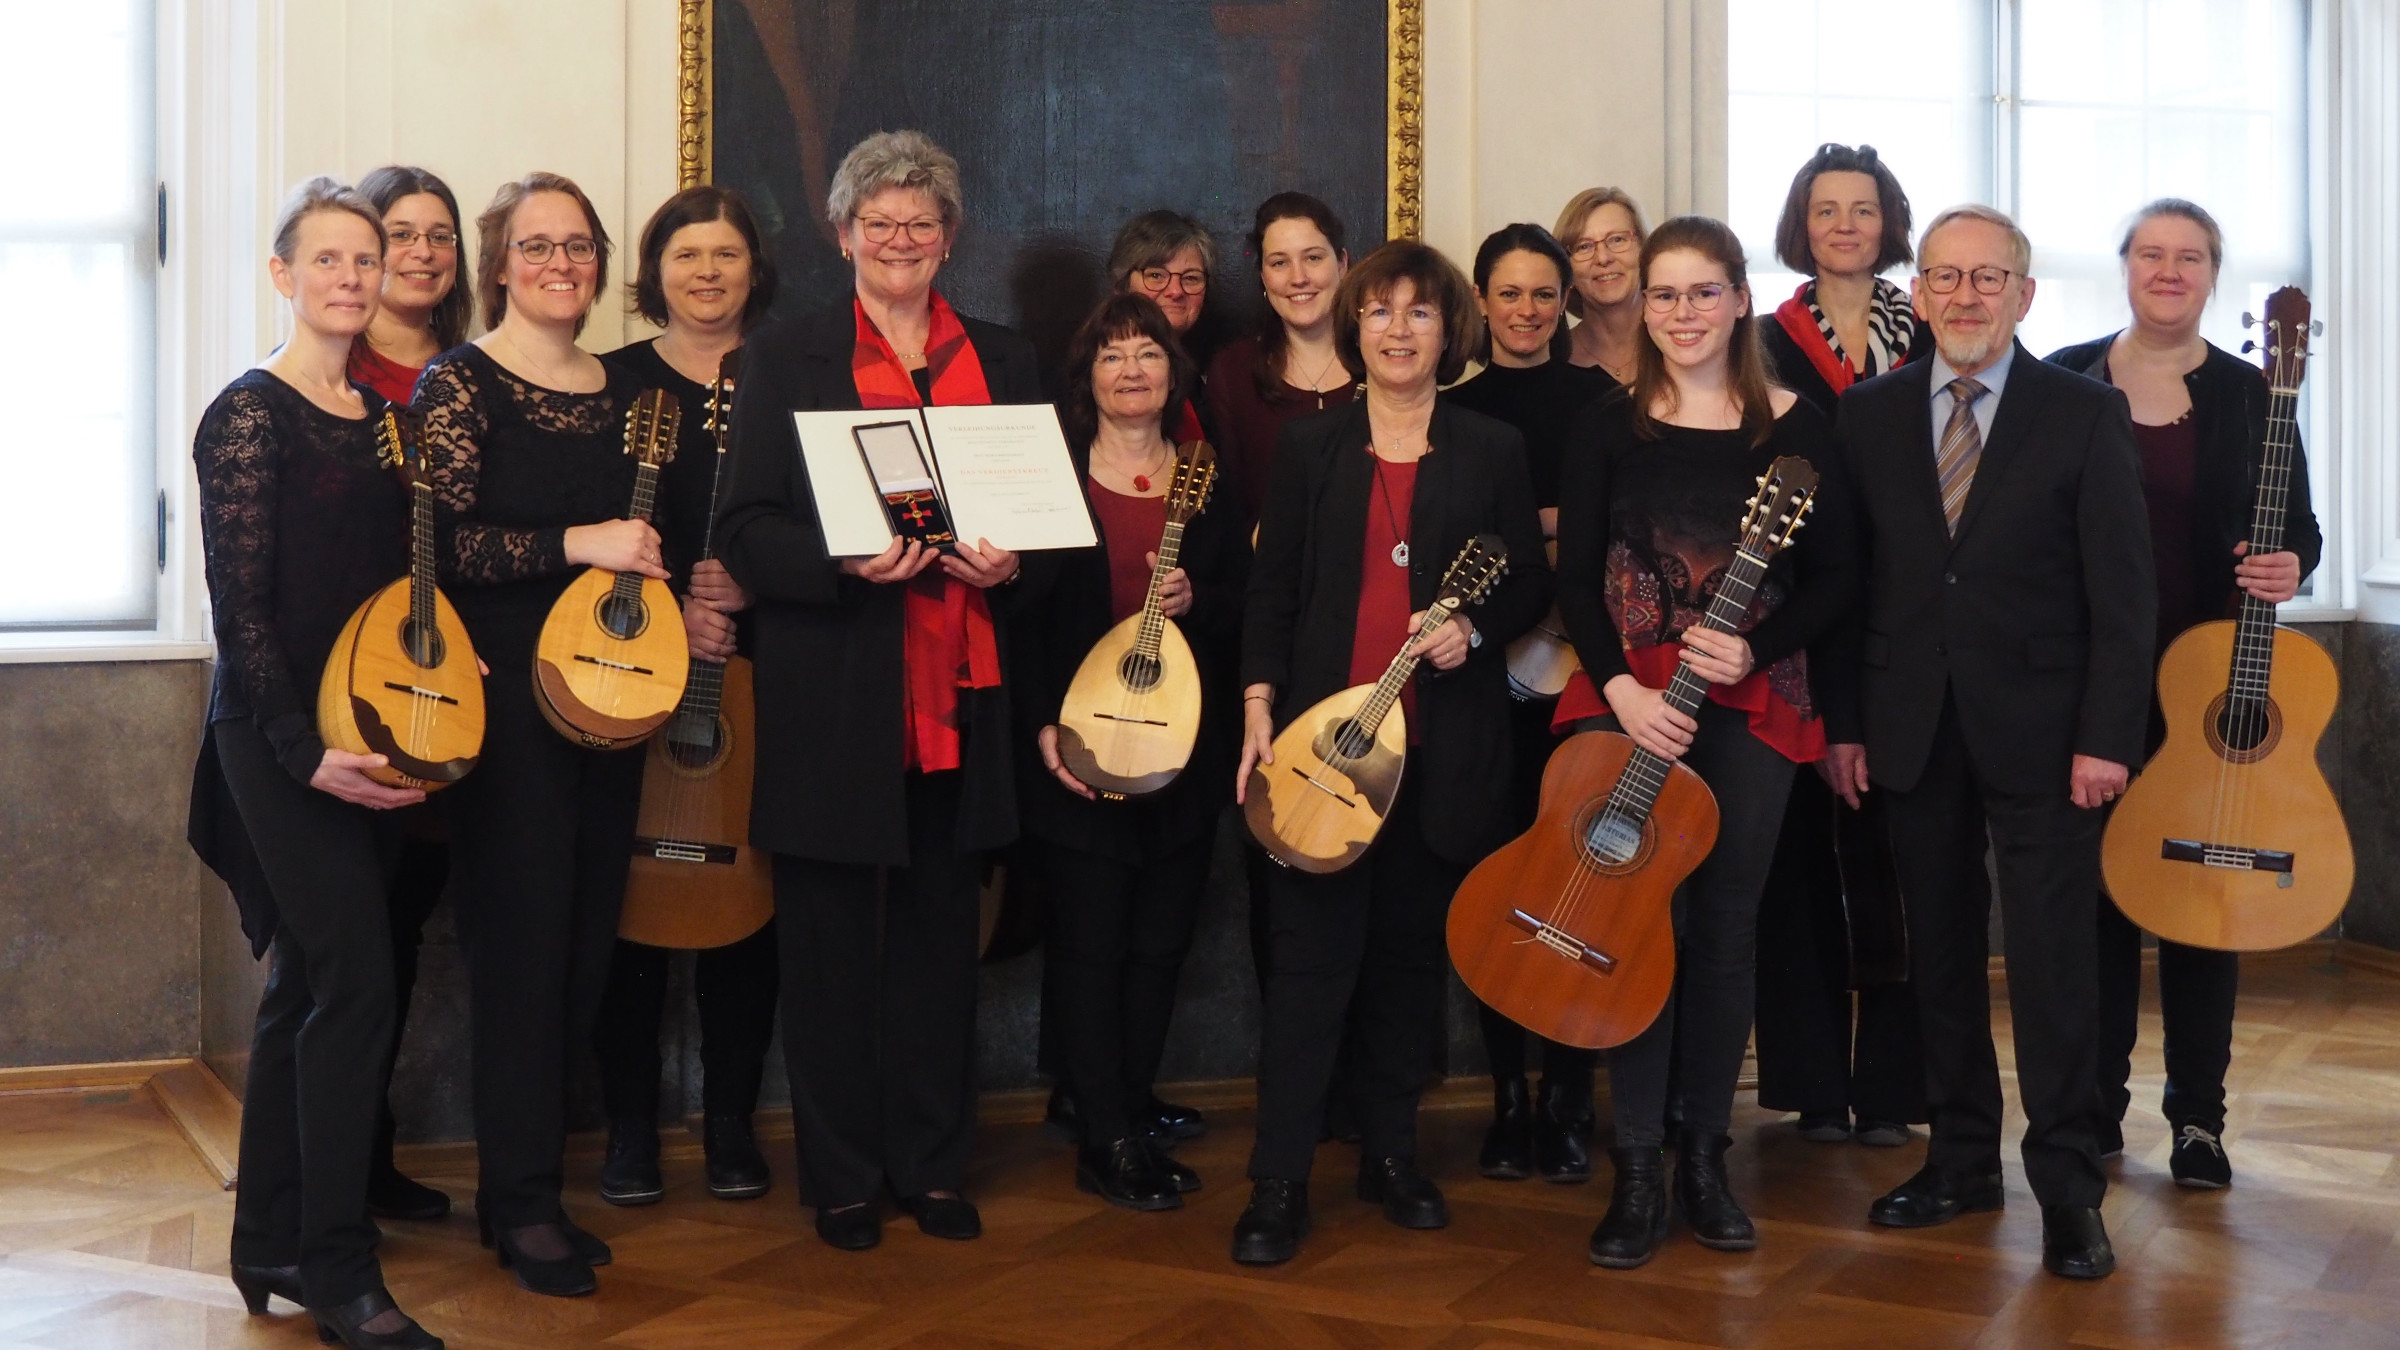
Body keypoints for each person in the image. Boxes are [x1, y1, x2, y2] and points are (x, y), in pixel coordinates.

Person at [1817, 203, 2155, 1281]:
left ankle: (2067, 1188)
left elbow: (2125, 594)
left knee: (2055, 965)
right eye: (1944, 278)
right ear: (1916, 291)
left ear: (2024, 294)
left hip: (2051, 739)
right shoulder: (1865, 415)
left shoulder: (2084, 414)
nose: (1964, 297)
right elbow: (1844, 587)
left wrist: (2108, 735)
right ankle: (1960, 1158)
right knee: (1942, 959)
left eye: (1987, 279)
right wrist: (1848, 726)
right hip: (1910, 731)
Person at [717, 130, 1041, 1253]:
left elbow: (1041, 522)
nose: (901, 240)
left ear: (949, 238)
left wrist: (1014, 561)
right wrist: (838, 562)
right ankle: (846, 1180)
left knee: (941, 960)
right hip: (837, 706)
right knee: (828, 961)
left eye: (922, 222)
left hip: (963, 702)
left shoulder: (1004, 357)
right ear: (843, 233)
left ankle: (933, 1167)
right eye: (880, 221)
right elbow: (744, 530)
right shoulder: (788, 354)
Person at [1231, 240, 1551, 1266]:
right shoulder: (1310, 451)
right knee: (1311, 964)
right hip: (1328, 749)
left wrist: (1478, 631)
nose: (1400, 330)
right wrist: (1256, 710)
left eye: (1419, 313)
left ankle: (1392, 1156)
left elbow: (1532, 586)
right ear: (1355, 327)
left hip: (1442, 751)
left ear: (1447, 330)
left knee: (1409, 965)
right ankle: (1278, 1182)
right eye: (1381, 313)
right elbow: (1272, 589)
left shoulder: (1491, 446)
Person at [1554, 217, 1854, 1269]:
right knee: (1636, 924)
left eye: (1702, 292)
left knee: (1724, 928)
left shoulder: (1802, 430)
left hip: (1751, 709)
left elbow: (1839, 581)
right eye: (1663, 294)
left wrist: (1754, 645)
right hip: (1630, 707)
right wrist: (1621, 695)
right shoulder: (1604, 428)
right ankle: (1636, 1164)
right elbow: (1574, 580)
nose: (1682, 313)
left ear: (1739, 299)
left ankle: (1704, 1157)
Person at [188, 176, 443, 1349]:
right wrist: (306, 755)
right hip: (277, 739)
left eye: (367, 260)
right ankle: (340, 1267)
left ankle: (272, 1242)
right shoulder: (250, 413)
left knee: (304, 988)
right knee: (356, 987)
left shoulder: (387, 416)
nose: (351, 277)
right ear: (284, 276)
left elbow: (391, 588)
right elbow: (240, 614)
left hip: (376, 729)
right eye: (327, 260)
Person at [417, 171, 669, 1298]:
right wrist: (583, 542)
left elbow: (638, 543)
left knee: (582, 951)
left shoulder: (623, 389)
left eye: (578, 246)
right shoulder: (458, 384)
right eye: (536, 246)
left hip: (611, 700)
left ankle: (532, 1191)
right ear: (498, 264)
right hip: (506, 708)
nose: (560, 263)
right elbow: (443, 548)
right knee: (518, 952)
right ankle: (516, 1206)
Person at [2045, 198, 2320, 1190]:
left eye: (2190, 257)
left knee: (2209, 905)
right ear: (2122, 266)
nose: (2170, 270)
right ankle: (2097, 1108)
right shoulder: (2065, 377)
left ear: (2214, 276)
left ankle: (2199, 1121)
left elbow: (2304, 531)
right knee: (2102, 906)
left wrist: (2291, 564)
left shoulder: (2254, 394)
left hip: (2215, 689)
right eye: (2152, 254)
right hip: (2091, 685)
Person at [1013, 293, 1249, 1210]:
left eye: (1147, 353)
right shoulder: (1055, 480)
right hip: (1078, 750)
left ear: (1172, 372)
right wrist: (1041, 725)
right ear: (1087, 379)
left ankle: (1127, 1108)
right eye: (1110, 356)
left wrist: (1203, 601)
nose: (1131, 370)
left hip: (1182, 749)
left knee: (1159, 946)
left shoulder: (1206, 479)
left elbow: (1251, 603)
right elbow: (1019, 625)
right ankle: (1103, 1133)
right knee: (1090, 946)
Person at [589, 185, 783, 1208]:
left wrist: (754, 585)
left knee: (747, 910)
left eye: (726, 253)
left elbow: (831, 522)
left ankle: (732, 1127)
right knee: (630, 912)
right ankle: (628, 1131)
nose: (706, 273)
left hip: (764, 676)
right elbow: (579, 535)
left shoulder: (794, 373)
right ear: (654, 270)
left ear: (756, 268)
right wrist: (673, 614)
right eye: (685, 254)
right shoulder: (606, 380)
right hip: (631, 672)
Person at [1751, 143, 1933, 1150]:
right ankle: (1813, 1082)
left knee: (1896, 862)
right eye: (1828, 210)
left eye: (1865, 208)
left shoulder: (1932, 330)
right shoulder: (1764, 342)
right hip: (1801, 610)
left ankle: (1895, 1088)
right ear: (1802, 225)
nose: (1847, 225)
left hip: (1906, 611)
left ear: (1889, 221)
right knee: (1799, 859)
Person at [1442, 222, 1614, 1184]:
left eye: (1543, 293)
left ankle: (1568, 1101)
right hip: (1482, 677)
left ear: (1566, 302)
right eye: (1508, 293)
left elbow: (1604, 535)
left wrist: (1536, 536)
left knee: (1580, 881)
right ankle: (1509, 1099)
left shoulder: (1601, 401)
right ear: (1482, 300)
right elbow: (1462, 549)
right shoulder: (1455, 408)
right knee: (1503, 882)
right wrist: (1546, 534)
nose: (1527, 311)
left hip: (1583, 674)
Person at [344, 163, 471, 1227]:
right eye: (400, 233)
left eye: (439, 235)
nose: (423, 252)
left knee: (408, 926)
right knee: (356, 946)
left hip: (462, 691)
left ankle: (372, 1160)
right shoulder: (328, 379)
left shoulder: (473, 376)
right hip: (360, 693)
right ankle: (342, 1165)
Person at [1204, 193, 1357, 524]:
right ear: (1262, 276)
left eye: (1313, 258)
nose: (1298, 277)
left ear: (1342, 263)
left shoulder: (1383, 363)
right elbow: (1226, 510)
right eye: (1279, 263)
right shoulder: (1232, 371)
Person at [1109, 209, 1218, 440]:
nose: (1175, 291)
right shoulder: (1094, 381)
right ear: (1121, 285)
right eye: (1156, 275)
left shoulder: (1208, 387)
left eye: (1190, 278)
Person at [1555, 187, 1650, 384]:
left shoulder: (1679, 346)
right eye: (1584, 247)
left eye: (1617, 240)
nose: (1603, 258)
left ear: (1645, 249)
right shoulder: (1554, 358)